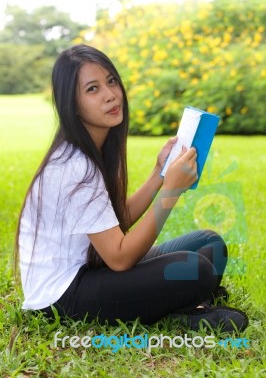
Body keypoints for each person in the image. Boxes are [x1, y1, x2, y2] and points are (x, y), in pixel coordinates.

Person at [16, 44, 248, 333]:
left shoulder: (92, 151)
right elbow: (120, 257)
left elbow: (114, 223)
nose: (110, 94)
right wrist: (170, 193)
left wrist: (159, 174)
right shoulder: (74, 167)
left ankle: (178, 305)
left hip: (94, 267)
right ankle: (180, 309)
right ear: (71, 105)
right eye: (92, 89)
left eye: (111, 81)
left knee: (210, 244)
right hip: (63, 295)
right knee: (197, 269)